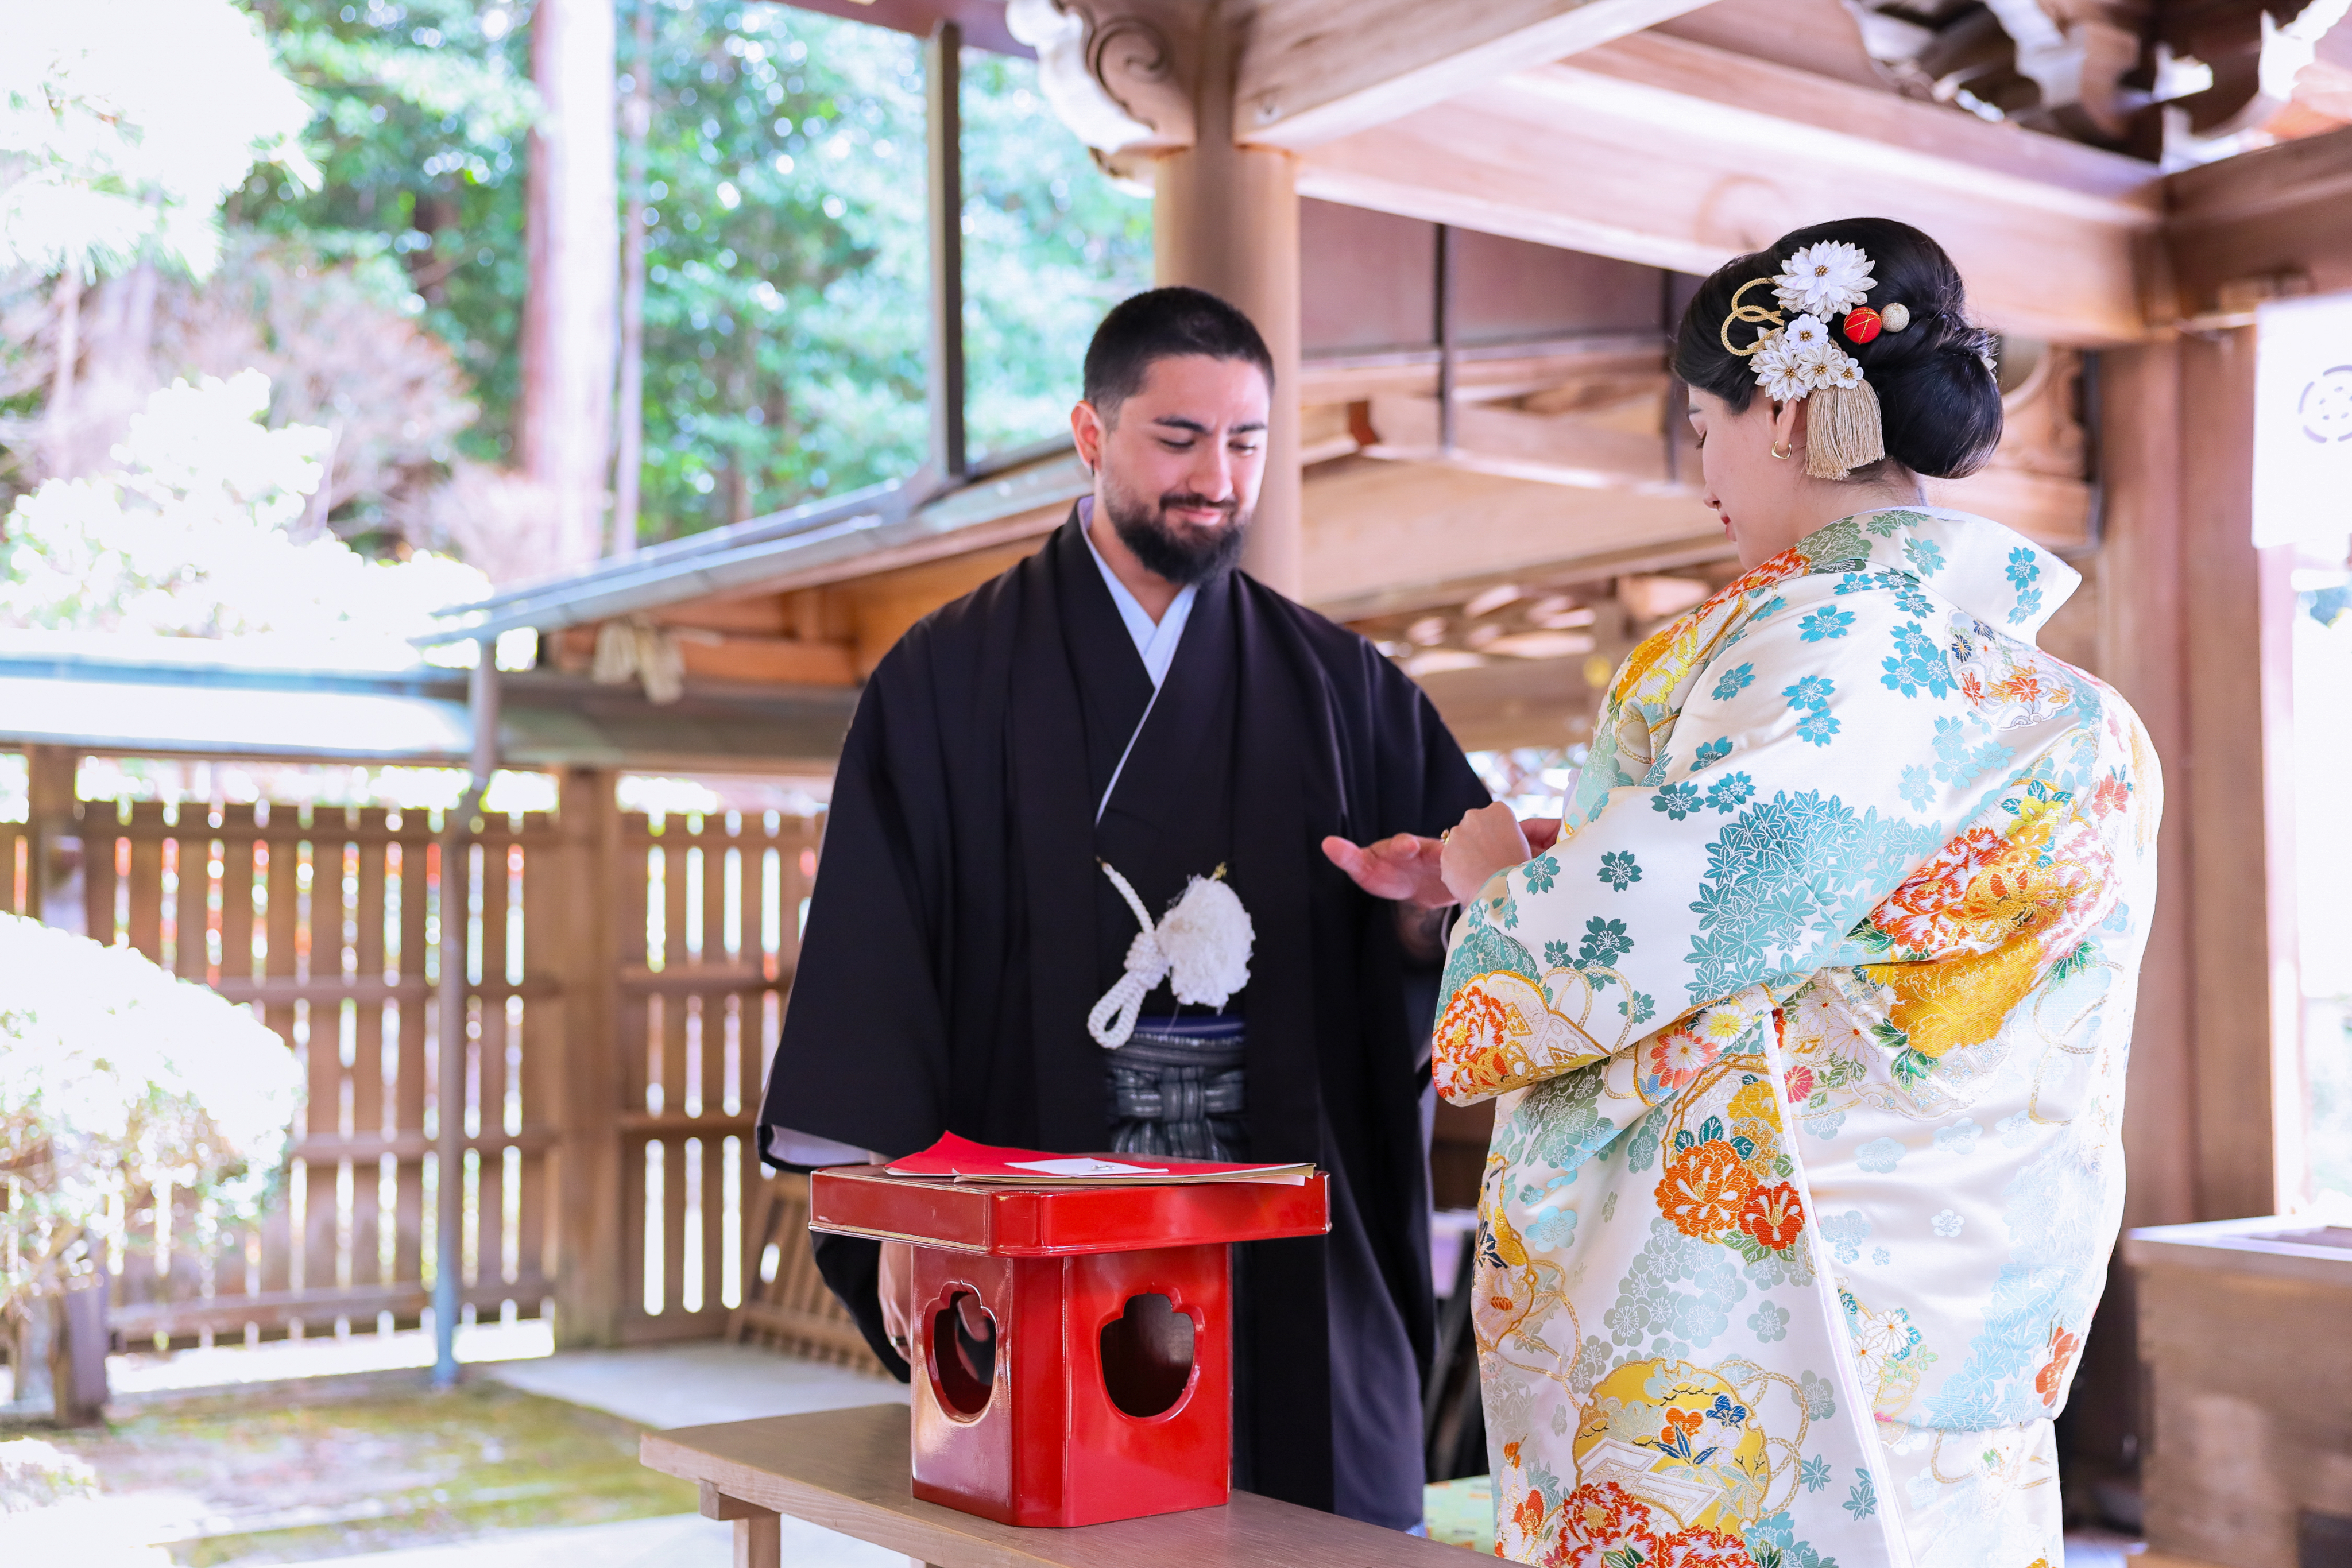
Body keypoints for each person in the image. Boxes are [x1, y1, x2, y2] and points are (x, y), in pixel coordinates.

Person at [1420, 219, 2158, 1567]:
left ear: (1779, 412)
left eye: (1701, 422)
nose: (1701, 463)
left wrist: (1502, 890)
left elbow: (1681, 920)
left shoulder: (1822, 641)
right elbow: (1829, 909)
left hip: (1791, 1323)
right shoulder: (2067, 708)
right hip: (1968, 1307)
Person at [757, 285, 1491, 1531]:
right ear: (1090, 436)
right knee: (1060, 1506)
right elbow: (878, 962)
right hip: (1038, 1211)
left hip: (1279, 1224)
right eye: (1178, 438)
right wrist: (907, 1206)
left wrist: (1432, 912)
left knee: (1303, 1523)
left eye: (1246, 443)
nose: (1217, 475)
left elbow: (1438, 935)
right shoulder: (945, 678)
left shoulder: (1345, 688)